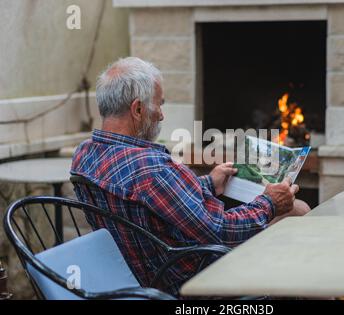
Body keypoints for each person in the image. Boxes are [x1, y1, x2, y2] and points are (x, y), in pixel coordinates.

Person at [71, 57, 310, 295]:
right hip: (185, 277)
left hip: (131, 274)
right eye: (159, 105)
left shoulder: (83, 155)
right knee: (297, 210)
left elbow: (154, 201)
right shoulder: (152, 169)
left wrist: (207, 183)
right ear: (138, 109)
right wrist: (269, 202)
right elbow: (220, 231)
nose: (162, 115)